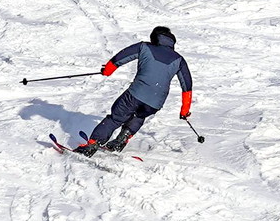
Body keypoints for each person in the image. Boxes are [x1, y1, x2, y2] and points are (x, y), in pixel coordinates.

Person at [78, 26, 193, 154]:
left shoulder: (144, 47)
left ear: (155, 38)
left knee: (117, 117)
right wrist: (184, 111)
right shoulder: (179, 59)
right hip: (155, 102)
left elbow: (121, 57)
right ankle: (121, 140)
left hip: (136, 94)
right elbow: (187, 86)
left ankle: (93, 144)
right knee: (139, 116)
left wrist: (107, 70)